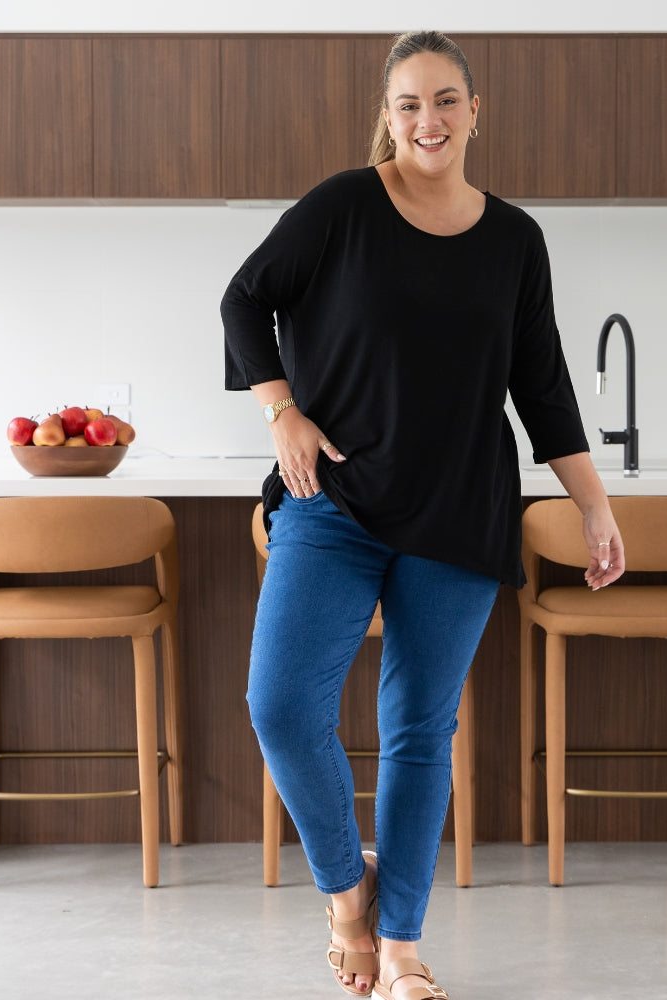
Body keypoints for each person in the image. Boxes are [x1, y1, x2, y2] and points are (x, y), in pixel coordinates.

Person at [221, 29, 625, 1000]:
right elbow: (245, 300)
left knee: (416, 727)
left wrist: (595, 505)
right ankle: (346, 893)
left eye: (445, 100)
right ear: (387, 116)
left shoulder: (516, 241)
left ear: (475, 111)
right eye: (409, 104)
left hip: (460, 507)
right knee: (279, 703)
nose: (427, 120)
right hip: (333, 498)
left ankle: (400, 940)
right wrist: (283, 412)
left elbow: (544, 386)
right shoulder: (343, 209)